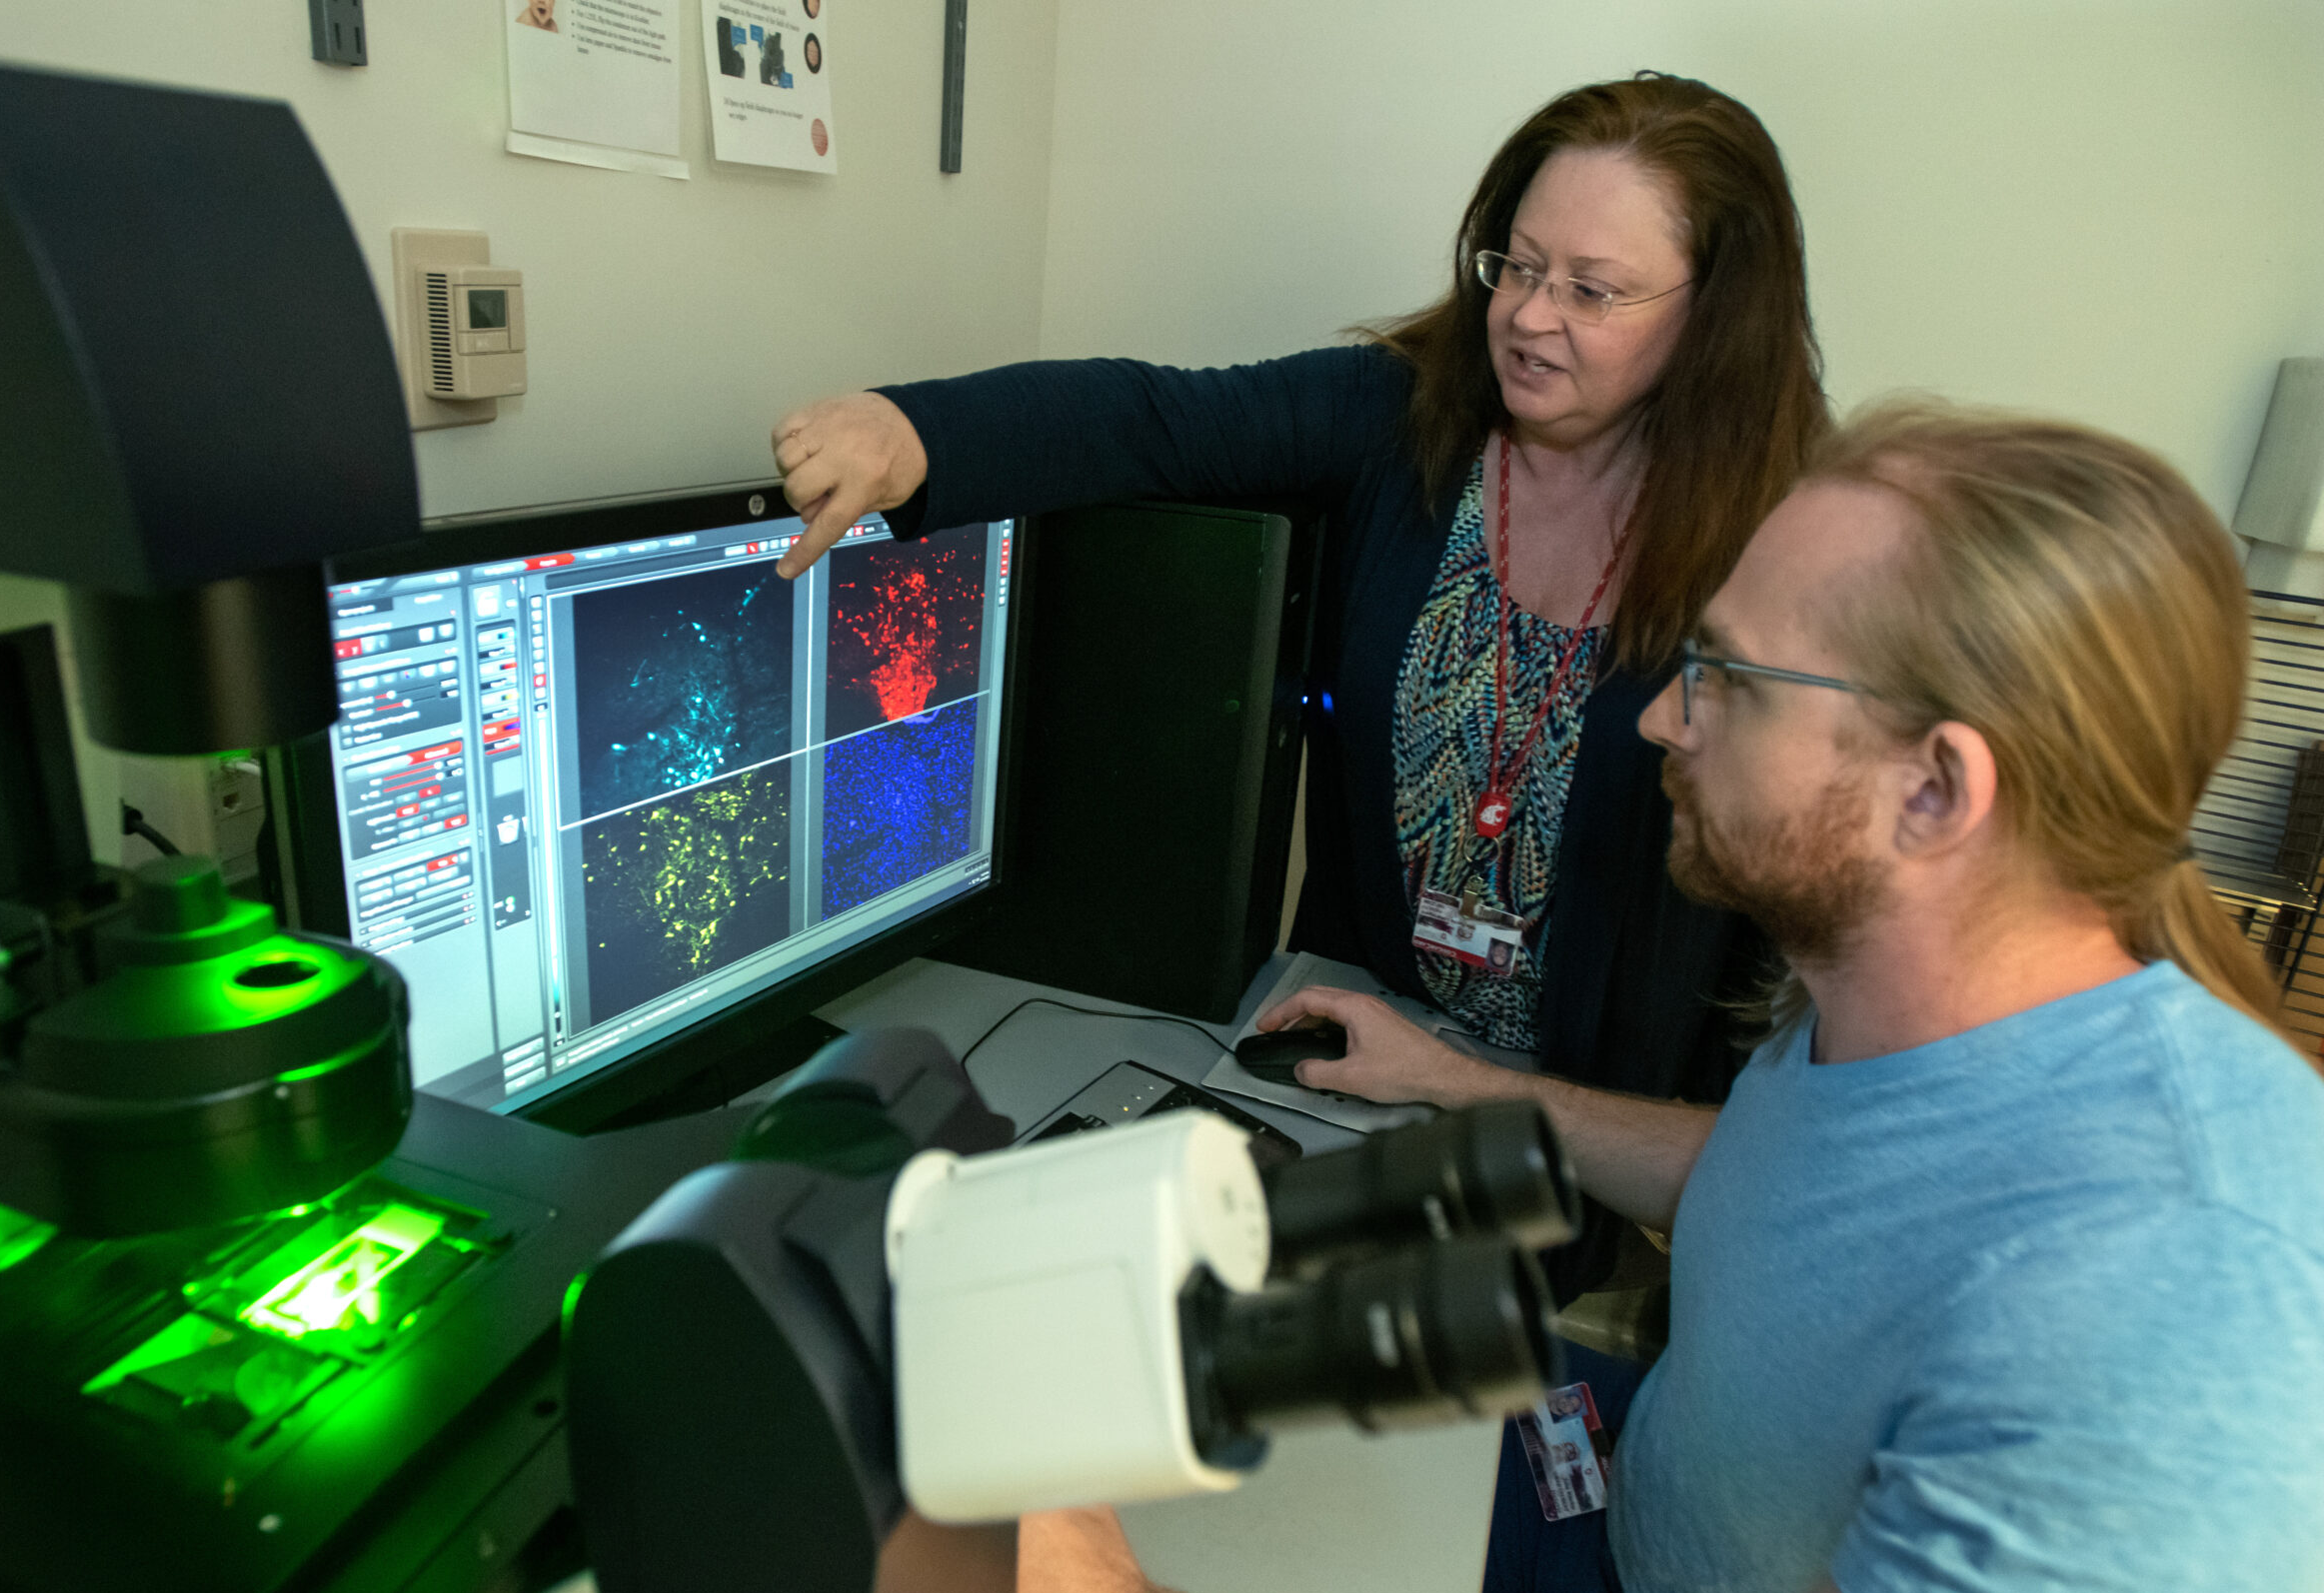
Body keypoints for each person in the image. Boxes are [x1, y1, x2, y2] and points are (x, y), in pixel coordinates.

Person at [1017, 402, 2324, 1593]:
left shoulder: (2175, 1295)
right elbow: (1790, 1181)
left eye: (1727, 676)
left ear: (1934, 790)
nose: (1659, 721)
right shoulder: (1920, 980)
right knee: (1111, 1376)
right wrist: (1452, 1081)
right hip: (1631, 1494)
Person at [773, 73, 1828, 1297]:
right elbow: (1157, 417)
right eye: (1518, 266)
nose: (1531, 318)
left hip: (1599, 1151)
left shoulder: (1788, 535)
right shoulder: (1403, 415)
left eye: (1593, 290)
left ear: (1716, 315)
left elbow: (1793, 940)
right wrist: (916, 434)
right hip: (1352, 1058)